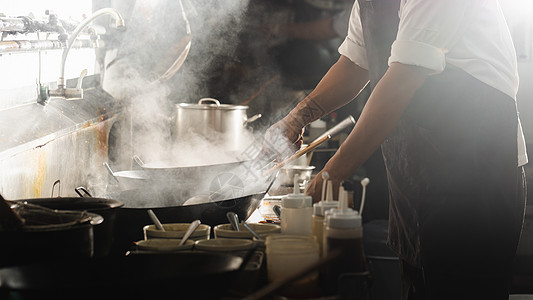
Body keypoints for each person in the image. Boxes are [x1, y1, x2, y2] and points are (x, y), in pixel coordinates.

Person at [261, 0, 528, 299]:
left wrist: (332, 174)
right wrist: (299, 116)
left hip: (476, 180)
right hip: (416, 181)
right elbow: (355, 62)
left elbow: (403, 78)